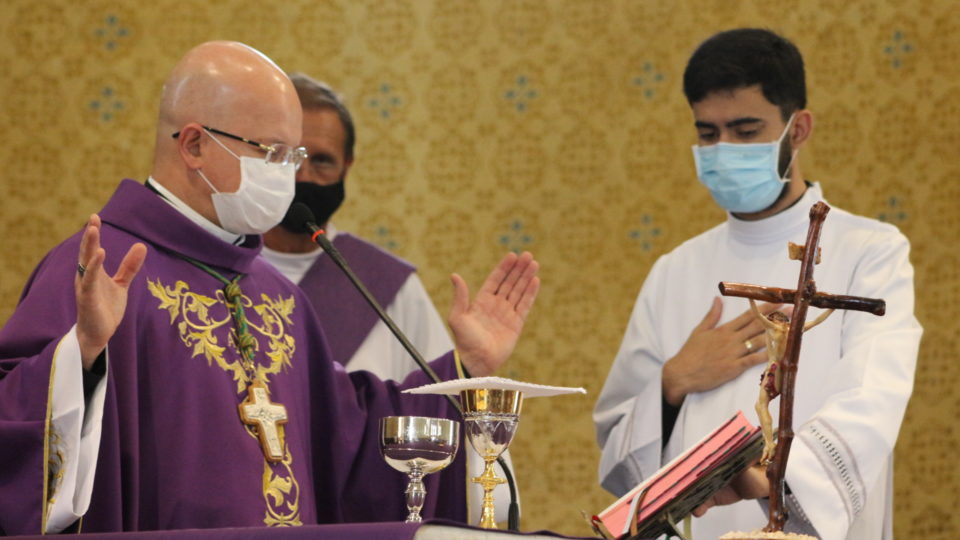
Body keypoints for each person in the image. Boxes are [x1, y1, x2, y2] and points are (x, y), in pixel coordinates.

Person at [0, 41, 540, 536]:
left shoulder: (276, 293)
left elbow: (345, 438)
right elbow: (13, 422)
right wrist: (83, 355)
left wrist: (465, 369)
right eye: (273, 153)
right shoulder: (103, 268)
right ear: (193, 145)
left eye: (296, 157)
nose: (289, 176)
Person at [593, 28, 921, 540]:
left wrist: (770, 478)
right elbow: (619, 448)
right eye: (708, 133)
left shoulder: (870, 252)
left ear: (799, 128)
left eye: (746, 131)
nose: (723, 150)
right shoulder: (674, 270)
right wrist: (673, 383)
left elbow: (871, 400)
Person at [261, 73, 453, 382]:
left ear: (347, 166)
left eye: (322, 161)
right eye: (289, 158)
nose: (303, 177)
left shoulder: (386, 287)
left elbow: (440, 407)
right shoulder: (218, 269)